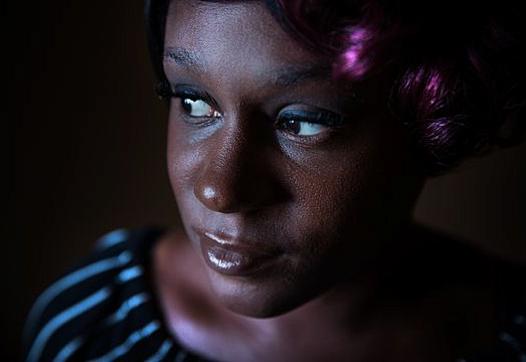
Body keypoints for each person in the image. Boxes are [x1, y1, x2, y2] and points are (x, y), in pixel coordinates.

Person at [23, 0, 526, 361]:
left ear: (435, 117)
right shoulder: (93, 325)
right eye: (195, 102)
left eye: (301, 121)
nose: (220, 190)